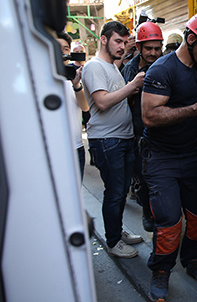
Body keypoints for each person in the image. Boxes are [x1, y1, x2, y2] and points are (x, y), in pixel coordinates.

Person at [141, 12, 197, 301]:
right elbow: (149, 115)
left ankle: (193, 260)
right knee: (169, 221)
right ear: (191, 40)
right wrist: (193, 110)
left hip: (192, 156)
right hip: (162, 158)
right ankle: (161, 270)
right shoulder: (162, 70)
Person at [81, 21, 145, 258]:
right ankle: (113, 241)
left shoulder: (111, 66)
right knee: (115, 192)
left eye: (124, 41)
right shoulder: (94, 67)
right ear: (103, 39)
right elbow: (102, 102)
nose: (122, 46)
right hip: (107, 141)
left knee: (120, 190)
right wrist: (132, 86)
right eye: (117, 41)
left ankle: (117, 231)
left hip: (123, 139)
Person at [121, 21, 164, 232]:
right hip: (137, 134)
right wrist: (132, 88)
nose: (153, 53)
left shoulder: (166, 65)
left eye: (157, 48)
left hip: (162, 132)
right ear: (138, 47)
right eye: (149, 48)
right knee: (143, 176)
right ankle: (148, 211)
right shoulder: (129, 70)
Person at [56, 31, 89, 179]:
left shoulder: (74, 77)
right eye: (58, 48)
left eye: (66, 49)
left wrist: (77, 85)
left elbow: (85, 107)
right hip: (53, 148)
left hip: (76, 148)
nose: (63, 52)